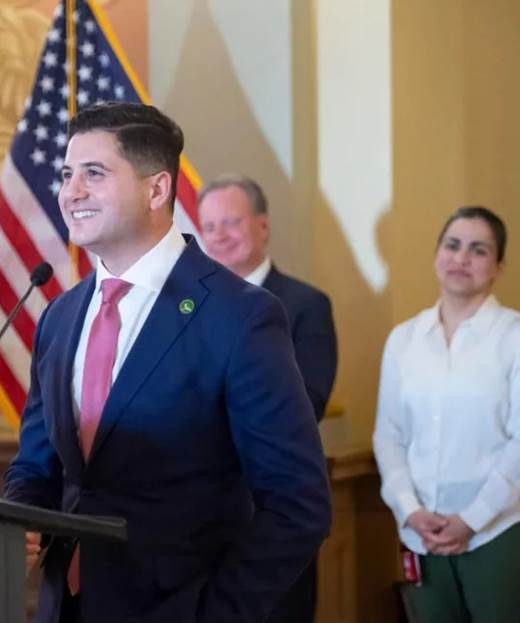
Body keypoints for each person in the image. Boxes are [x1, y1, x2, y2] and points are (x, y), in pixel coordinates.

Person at [3, 103, 331, 623]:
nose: (71, 192)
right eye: (67, 174)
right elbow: (37, 465)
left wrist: (211, 612)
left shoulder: (240, 316)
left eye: (94, 173)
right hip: (66, 607)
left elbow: (297, 505)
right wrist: (16, 517)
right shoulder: (60, 317)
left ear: (157, 190)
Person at [197, 174, 338, 622]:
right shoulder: (186, 306)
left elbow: (307, 401)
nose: (219, 237)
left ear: (262, 226)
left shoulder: (306, 305)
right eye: (210, 226)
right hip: (196, 519)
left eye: (231, 223)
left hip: (273, 516)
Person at [373, 206, 520, 622]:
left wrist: (471, 520)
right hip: (420, 534)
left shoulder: (513, 337)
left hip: (497, 532)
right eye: (452, 245)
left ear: (498, 266)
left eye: (478, 250)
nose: (461, 259)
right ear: (437, 253)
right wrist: (410, 510)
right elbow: (389, 436)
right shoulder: (404, 339)